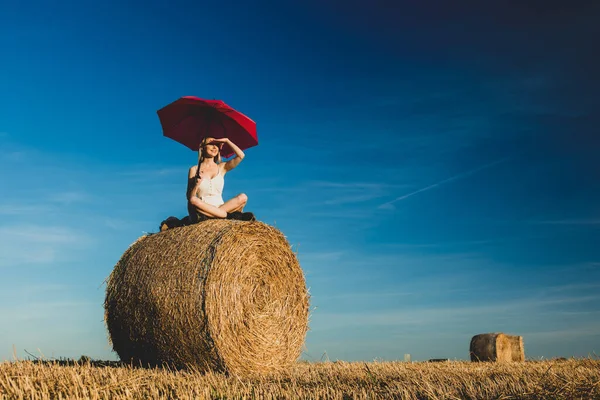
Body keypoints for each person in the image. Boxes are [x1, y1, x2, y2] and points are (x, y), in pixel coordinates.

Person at [186, 136, 255, 223]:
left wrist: (227, 140)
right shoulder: (194, 169)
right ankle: (228, 216)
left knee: (243, 197)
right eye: (211, 144)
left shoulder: (222, 167)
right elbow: (189, 197)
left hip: (222, 206)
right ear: (202, 148)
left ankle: (218, 215)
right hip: (203, 208)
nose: (214, 147)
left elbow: (241, 156)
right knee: (193, 200)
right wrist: (196, 185)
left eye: (216, 145)